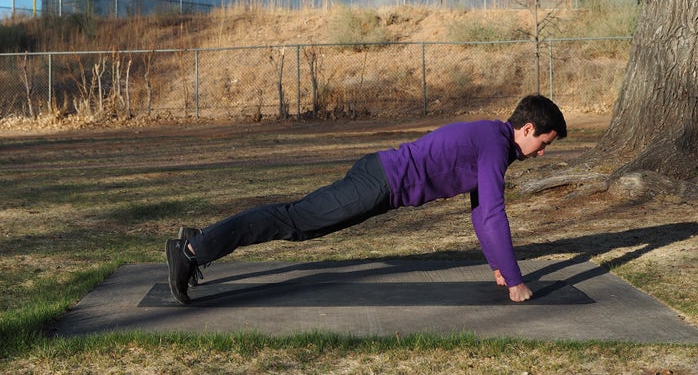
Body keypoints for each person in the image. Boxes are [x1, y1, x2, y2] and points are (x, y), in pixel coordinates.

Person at [166, 94, 567, 305]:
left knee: (299, 226)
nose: (542, 153)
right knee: (293, 220)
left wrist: (500, 266)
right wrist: (515, 282)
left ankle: (199, 241)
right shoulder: (494, 145)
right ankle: (191, 249)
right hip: (378, 182)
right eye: (544, 144)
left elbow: (481, 210)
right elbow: (494, 215)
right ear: (528, 128)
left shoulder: (491, 140)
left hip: (380, 182)